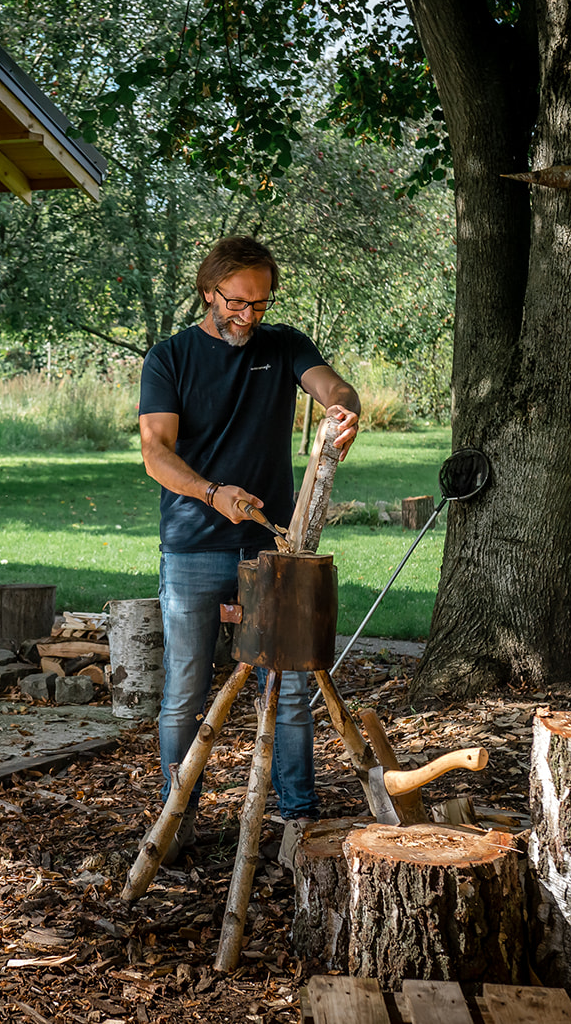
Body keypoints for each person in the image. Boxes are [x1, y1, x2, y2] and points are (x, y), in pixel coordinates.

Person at [137, 235, 361, 860]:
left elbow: (334, 387)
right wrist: (213, 493)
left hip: (273, 552)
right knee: (185, 694)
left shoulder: (283, 345)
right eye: (236, 302)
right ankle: (176, 820)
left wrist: (344, 411)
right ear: (209, 292)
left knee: (287, 688)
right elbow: (156, 453)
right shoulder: (170, 358)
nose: (248, 315)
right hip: (193, 545)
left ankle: (298, 824)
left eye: (260, 304)